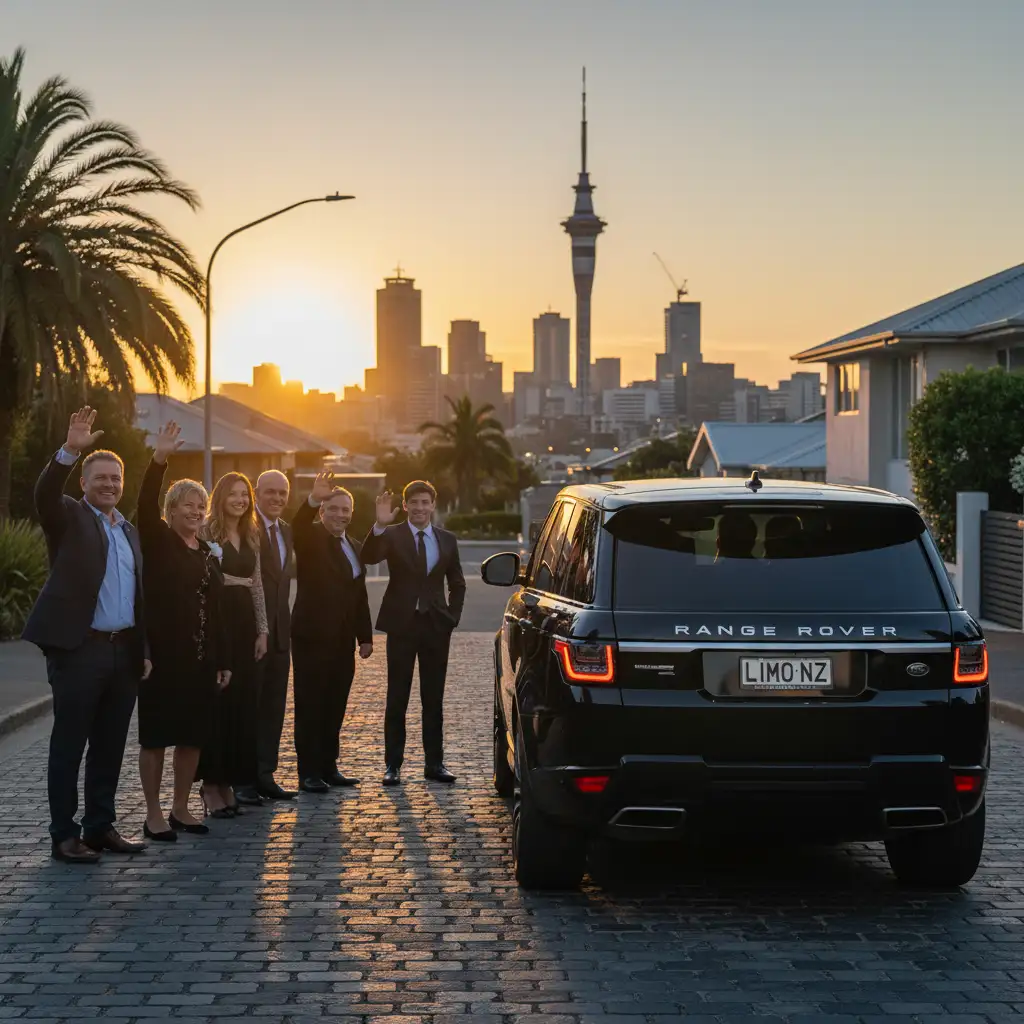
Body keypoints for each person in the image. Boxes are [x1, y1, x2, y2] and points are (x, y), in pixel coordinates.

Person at [23, 407, 148, 863]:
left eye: (116, 479)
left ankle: (99, 826)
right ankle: (64, 835)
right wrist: (70, 451)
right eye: (101, 478)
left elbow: (138, 597)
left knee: (110, 748)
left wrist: (144, 650)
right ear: (84, 482)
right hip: (79, 652)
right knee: (69, 747)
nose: (110, 485)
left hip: (122, 654)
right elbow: (44, 495)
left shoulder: (129, 532)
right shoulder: (70, 517)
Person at [136, 421, 231, 840]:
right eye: (186, 505)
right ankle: (153, 813)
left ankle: (180, 809)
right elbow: (143, 502)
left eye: (200, 506)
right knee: (156, 738)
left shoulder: (208, 553)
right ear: (171, 511)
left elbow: (217, 609)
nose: (195, 511)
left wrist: (223, 659)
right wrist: (159, 460)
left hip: (201, 660)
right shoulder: (159, 541)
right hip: (161, 659)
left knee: (192, 738)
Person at [362, 480, 465, 787]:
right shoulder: (392, 535)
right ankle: (392, 765)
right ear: (405, 506)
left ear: (433, 505)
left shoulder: (447, 540)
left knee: (433, 698)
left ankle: (435, 763)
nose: (420, 508)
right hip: (402, 626)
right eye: (414, 503)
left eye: (425, 502)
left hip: (436, 626)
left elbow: (457, 582)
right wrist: (379, 524)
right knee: (398, 696)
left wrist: (452, 618)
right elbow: (368, 557)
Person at [291, 472, 373, 793]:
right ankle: (308, 772)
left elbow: (359, 594)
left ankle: (329, 765)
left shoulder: (353, 545)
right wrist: (312, 499)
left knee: (335, 703)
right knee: (311, 704)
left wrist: (364, 636)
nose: (340, 515)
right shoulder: (310, 537)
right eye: (334, 509)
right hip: (312, 637)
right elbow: (296, 525)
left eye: (345, 510)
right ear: (322, 512)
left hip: (342, 640)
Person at [198, 473, 269, 815]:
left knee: (242, 707)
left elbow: (256, 585)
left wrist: (263, 630)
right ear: (221, 497)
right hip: (217, 621)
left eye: (245, 494)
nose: (240, 500)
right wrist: (230, 579)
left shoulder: (252, 533)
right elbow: (198, 575)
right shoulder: (207, 532)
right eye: (234, 494)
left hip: (246, 626)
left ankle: (228, 782)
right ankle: (209, 785)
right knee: (217, 707)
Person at [252, 470, 296, 801]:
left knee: (272, 710)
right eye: (270, 492)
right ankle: (242, 780)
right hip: (251, 633)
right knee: (247, 708)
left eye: (282, 492)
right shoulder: (245, 528)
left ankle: (266, 774)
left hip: (281, 635)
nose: (277, 498)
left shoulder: (287, 531)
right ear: (256, 493)